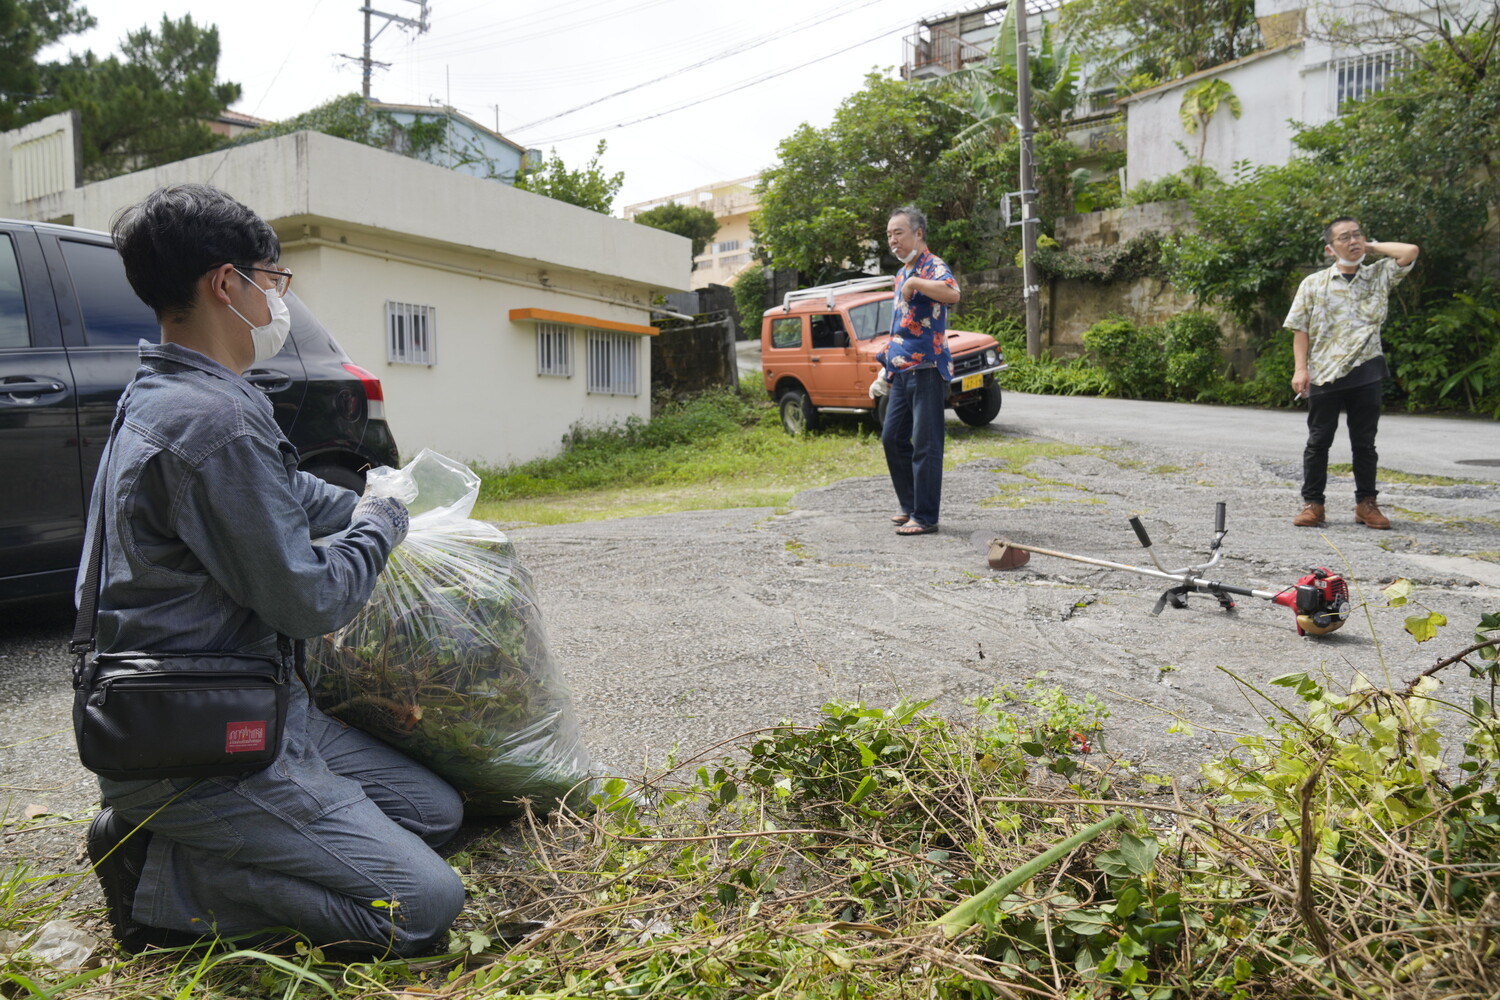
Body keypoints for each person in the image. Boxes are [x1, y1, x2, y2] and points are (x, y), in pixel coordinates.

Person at [81, 184, 465, 957]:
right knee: (424, 906)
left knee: (435, 813)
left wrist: (377, 499)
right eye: (273, 279)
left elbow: (288, 495)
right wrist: (383, 525)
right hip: (202, 737)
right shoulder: (212, 420)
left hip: (250, 703)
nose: (279, 299)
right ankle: (155, 874)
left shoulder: (176, 393)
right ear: (227, 284)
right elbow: (311, 601)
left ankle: (274, 822)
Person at [1286, 216, 1418, 530]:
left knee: (1364, 443)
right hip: (1324, 371)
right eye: (1344, 237)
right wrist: (1301, 369)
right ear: (1329, 249)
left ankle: (1366, 504)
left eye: (1357, 234)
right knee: (1318, 442)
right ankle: (1313, 504)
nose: (1353, 240)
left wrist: (1368, 247)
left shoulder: (1379, 274)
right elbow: (1300, 329)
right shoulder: (1313, 283)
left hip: (1366, 369)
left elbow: (1410, 251)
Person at [869, 205, 961, 536]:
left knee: (926, 443)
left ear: (918, 234)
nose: (892, 240)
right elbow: (901, 327)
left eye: (899, 233)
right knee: (892, 437)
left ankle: (925, 516)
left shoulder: (932, 266)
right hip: (901, 370)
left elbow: (953, 294)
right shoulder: (900, 273)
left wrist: (918, 283)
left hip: (927, 368)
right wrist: (885, 370)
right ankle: (910, 506)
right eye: (889, 235)